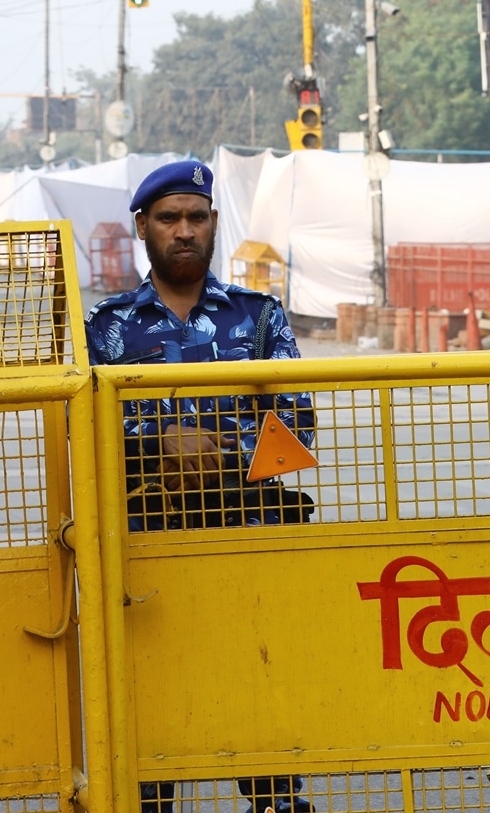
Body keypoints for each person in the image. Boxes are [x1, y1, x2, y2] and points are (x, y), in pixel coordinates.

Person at [84, 160, 315, 813]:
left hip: (250, 548)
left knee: (256, 691)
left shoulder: (259, 316)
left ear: (213, 224)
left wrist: (224, 456)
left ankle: (275, 800)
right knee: (151, 703)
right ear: (142, 228)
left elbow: (297, 421)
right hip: (145, 557)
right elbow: (82, 434)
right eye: (168, 218)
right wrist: (158, 446)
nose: (183, 230)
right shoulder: (108, 328)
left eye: (196, 217)